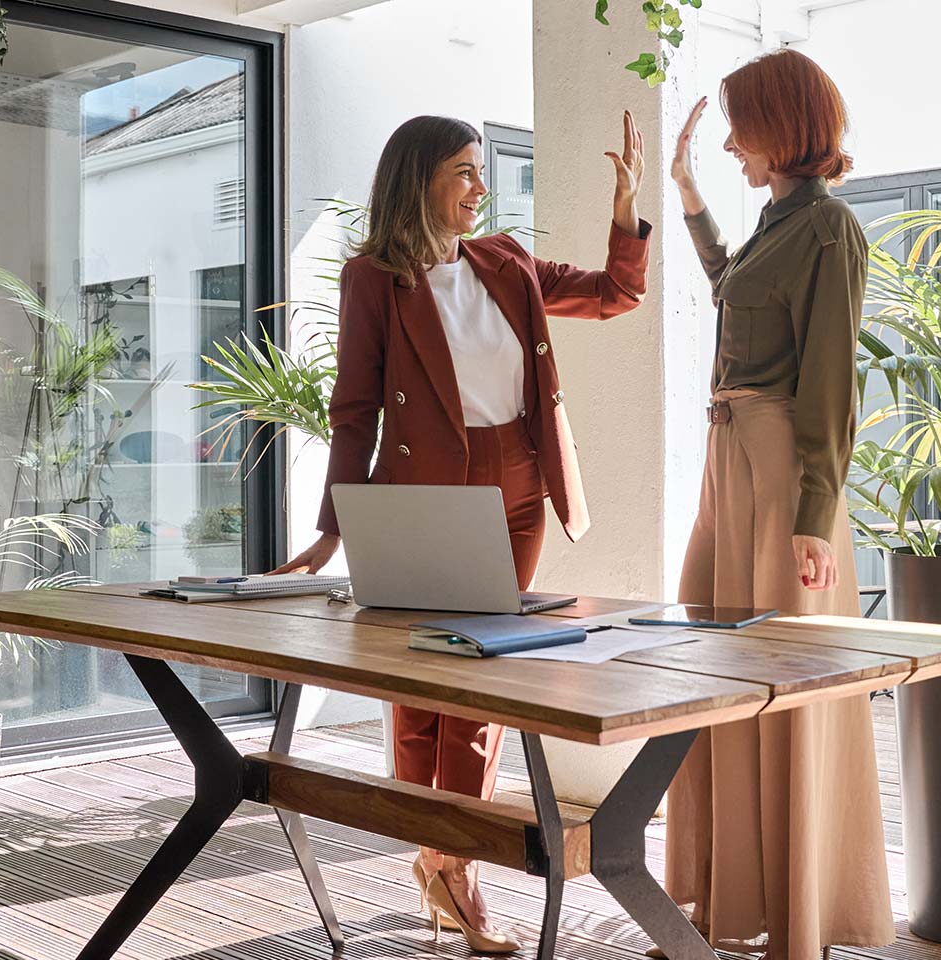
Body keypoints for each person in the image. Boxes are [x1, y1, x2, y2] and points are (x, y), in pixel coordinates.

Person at [272, 113, 652, 953]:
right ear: (419, 181)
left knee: (482, 685)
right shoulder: (374, 278)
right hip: (424, 494)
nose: (481, 188)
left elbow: (615, 294)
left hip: (517, 488)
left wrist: (626, 211)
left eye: (482, 172)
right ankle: (440, 854)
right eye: (464, 173)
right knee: (421, 692)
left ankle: (455, 862)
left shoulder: (505, 259)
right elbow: (354, 408)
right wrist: (334, 526)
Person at [662, 50, 893, 960]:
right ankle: (727, 899)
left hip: (782, 470)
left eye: (739, 129)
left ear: (780, 126)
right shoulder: (778, 222)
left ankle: (799, 919)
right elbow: (730, 288)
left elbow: (832, 379)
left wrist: (814, 511)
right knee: (712, 664)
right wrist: (683, 190)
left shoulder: (831, 230)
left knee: (783, 683)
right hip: (730, 462)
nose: (729, 144)